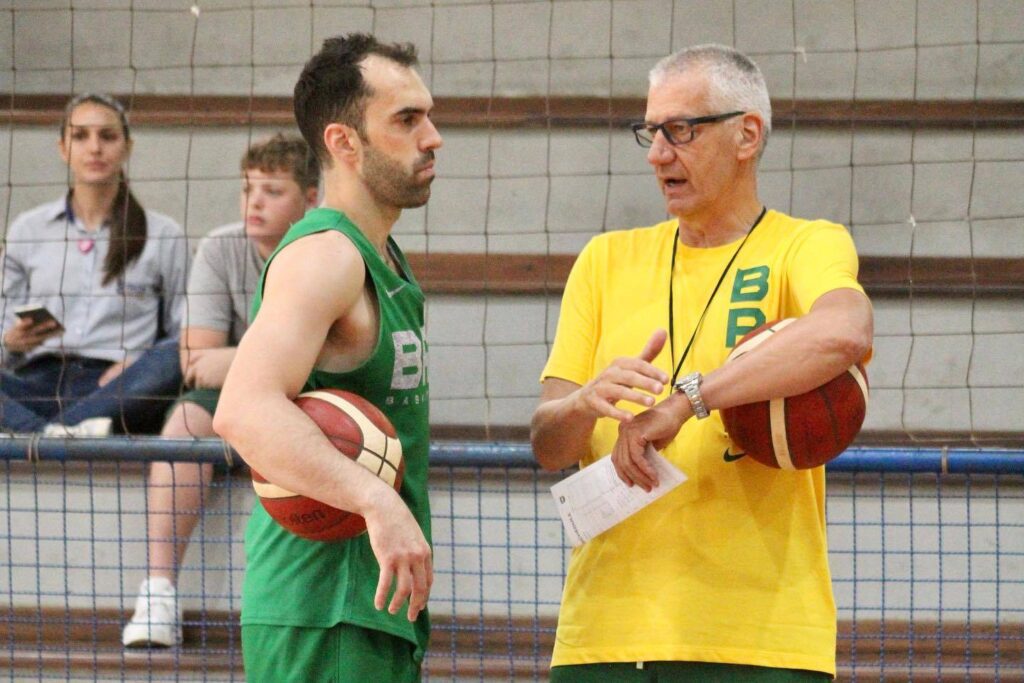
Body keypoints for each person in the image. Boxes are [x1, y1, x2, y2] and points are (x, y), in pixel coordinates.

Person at [531, 44, 873, 681]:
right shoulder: (604, 260)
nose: (660, 153)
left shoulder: (804, 244)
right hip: (602, 638)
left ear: (747, 135)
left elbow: (845, 332)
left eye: (681, 130)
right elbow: (549, 445)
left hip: (762, 641)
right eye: (651, 132)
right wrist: (584, 402)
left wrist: (688, 400)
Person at [213, 33, 440, 682]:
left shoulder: (387, 261)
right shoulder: (326, 256)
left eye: (428, 114)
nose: (433, 137)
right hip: (322, 605)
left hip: (371, 606)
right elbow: (243, 408)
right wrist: (376, 500)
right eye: (406, 119)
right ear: (343, 142)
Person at [121, 133, 320, 648]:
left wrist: (251, 361)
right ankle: (158, 593)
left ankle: (302, 607)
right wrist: (281, 359)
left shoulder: (326, 251)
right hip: (245, 393)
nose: (254, 202)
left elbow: (325, 365)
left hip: (313, 396)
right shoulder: (221, 246)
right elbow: (194, 363)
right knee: (184, 421)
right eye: (248, 188)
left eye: (272, 191)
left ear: (311, 198)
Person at [0, 93, 187, 437]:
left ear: (127, 147)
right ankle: (58, 434)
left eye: (108, 136)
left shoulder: (164, 234)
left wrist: (138, 364)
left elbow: (183, 334)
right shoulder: (28, 229)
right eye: (81, 136)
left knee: (178, 354)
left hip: (114, 389)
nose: (95, 147)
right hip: (34, 385)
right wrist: (10, 344)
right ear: (62, 148)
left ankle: (38, 437)